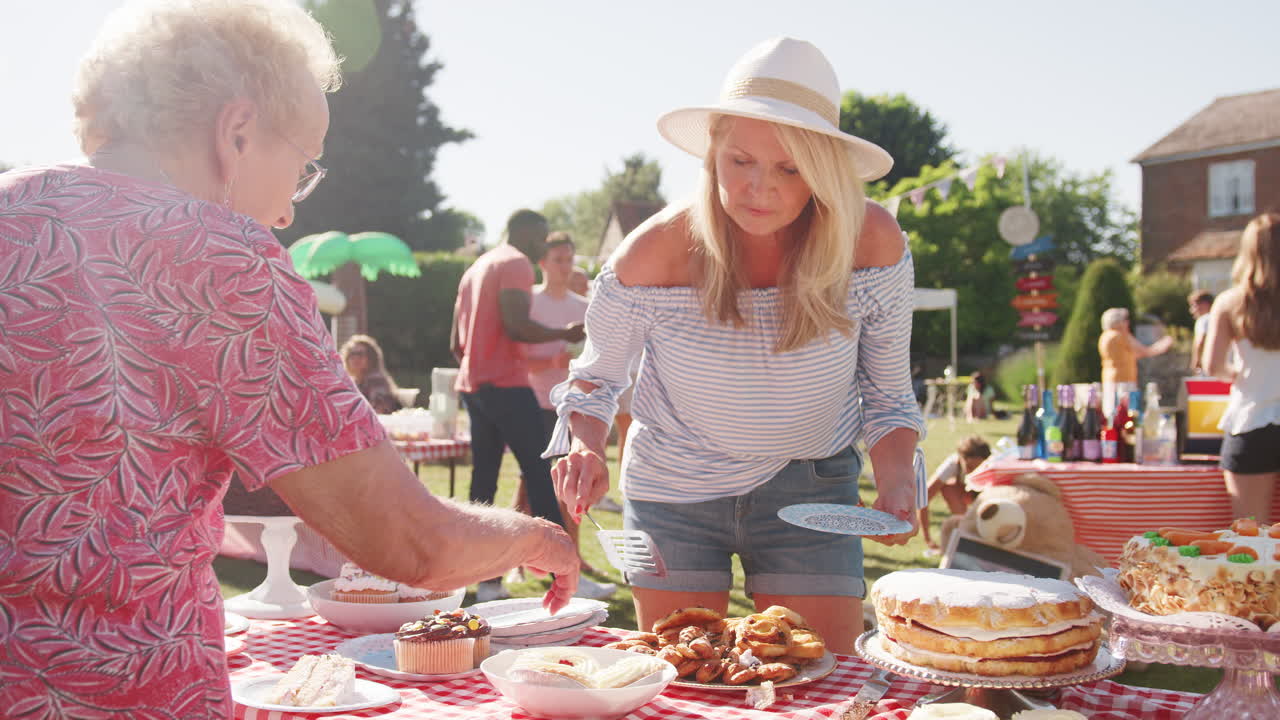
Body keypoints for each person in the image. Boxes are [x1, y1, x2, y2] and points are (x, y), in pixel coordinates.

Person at [0, 3, 578, 716]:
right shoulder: (223, 258)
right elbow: (407, 544)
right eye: (303, 167)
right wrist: (537, 536)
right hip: (123, 693)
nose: (287, 214)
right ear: (235, 132)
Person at [546, 37, 924, 654]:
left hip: (813, 487)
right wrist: (585, 447)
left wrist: (897, 481)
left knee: (818, 679)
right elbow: (596, 379)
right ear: (712, 153)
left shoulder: (871, 241)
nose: (758, 188)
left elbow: (886, 396)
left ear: (824, 170)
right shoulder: (653, 252)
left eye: (790, 168)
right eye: (740, 161)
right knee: (686, 682)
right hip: (675, 489)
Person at [451, 209, 586, 602]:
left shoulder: (478, 265)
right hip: (508, 385)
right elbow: (516, 325)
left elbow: (455, 342)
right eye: (540, 239)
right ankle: (564, 575)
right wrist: (565, 332)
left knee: (483, 486)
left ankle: (484, 582)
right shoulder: (514, 263)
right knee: (542, 480)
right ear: (525, 233)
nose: (542, 247)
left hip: (474, 386)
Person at [520, 232, 615, 598]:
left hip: (573, 412)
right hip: (534, 404)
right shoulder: (529, 303)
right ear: (542, 263)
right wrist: (552, 361)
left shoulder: (583, 306)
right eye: (558, 259)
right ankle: (536, 563)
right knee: (535, 489)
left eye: (569, 258)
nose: (565, 266)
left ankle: (569, 565)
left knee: (569, 489)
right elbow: (515, 357)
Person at [1204, 213, 1280, 524]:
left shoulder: (1230, 302)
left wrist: (1234, 372)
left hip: (1252, 420)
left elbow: (1212, 366)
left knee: (1252, 537)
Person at [919, 436, 992, 553]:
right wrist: (927, 538)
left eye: (978, 468)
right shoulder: (953, 464)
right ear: (961, 458)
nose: (973, 472)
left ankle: (982, 534)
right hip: (965, 495)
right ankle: (966, 530)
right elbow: (923, 497)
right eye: (969, 467)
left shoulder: (992, 466)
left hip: (985, 497)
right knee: (948, 488)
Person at [1098, 307, 1173, 417]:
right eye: (1124, 320)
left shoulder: (1105, 336)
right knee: (1128, 413)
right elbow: (1144, 351)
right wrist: (1163, 345)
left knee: (1111, 412)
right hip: (1124, 380)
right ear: (1117, 322)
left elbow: (1131, 355)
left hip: (1109, 379)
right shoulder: (1120, 336)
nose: (1127, 323)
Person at [341, 334, 403, 414]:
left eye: (360, 354)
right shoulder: (353, 382)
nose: (355, 358)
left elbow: (378, 412)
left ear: (371, 358)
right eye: (352, 354)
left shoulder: (377, 381)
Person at [1188, 289, 1215, 373]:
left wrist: (1196, 362)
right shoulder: (1218, 318)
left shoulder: (1203, 320)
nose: (1191, 310)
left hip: (1207, 366)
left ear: (1205, 304)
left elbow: (1201, 341)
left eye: (1194, 306)